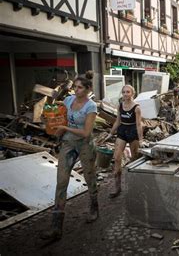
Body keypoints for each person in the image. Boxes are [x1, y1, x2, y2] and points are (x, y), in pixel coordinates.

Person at [41, 71, 98, 241]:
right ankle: (56, 227)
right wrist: (51, 119)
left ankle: (94, 206)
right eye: (75, 87)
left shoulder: (91, 106)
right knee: (61, 182)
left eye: (80, 88)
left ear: (88, 89)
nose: (76, 90)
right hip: (68, 144)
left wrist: (65, 129)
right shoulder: (68, 100)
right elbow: (60, 117)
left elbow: (86, 133)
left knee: (89, 177)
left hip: (85, 145)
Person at [107, 85, 143, 198]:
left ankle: (136, 185)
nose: (125, 94)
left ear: (132, 93)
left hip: (133, 131)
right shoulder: (120, 105)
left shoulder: (136, 107)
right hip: (122, 130)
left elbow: (138, 124)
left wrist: (141, 139)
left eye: (128, 92)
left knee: (134, 158)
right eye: (124, 92)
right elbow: (117, 121)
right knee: (117, 158)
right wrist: (110, 133)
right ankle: (117, 188)